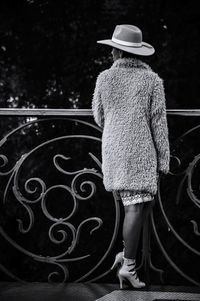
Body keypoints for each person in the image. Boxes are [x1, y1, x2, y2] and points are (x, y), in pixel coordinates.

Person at [91, 24, 170, 289]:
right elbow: (159, 124)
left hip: (113, 150)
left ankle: (125, 256)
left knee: (136, 206)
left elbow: (98, 117)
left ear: (115, 51)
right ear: (139, 53)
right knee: (136, 207)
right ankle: (129, 266)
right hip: (139, 152)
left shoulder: (104, 79)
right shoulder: (152, 81)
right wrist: (163, 159)